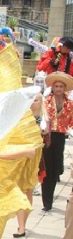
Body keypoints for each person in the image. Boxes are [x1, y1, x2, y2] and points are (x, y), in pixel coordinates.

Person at [13, 93, 49, 237]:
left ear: (41, 102)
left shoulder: (43, 119)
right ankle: (21, 226)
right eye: (30, 100)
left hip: (34, 158)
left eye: (35, 100)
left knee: (28, 189)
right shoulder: (20, 117)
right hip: (21, 156)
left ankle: (22, 225)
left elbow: (45, 134)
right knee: (20, 189)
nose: (32, 103)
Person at [41, 72, 73, 212]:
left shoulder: (70, 104)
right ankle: (46, 202)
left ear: (65, 88)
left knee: (55, 169)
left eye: (61, 86)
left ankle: (51, 194)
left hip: (60, 136)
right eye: (56, 86)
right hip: (47, 136)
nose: (59, 89)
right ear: (52, 88)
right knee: (47, 168)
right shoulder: (46, 101)